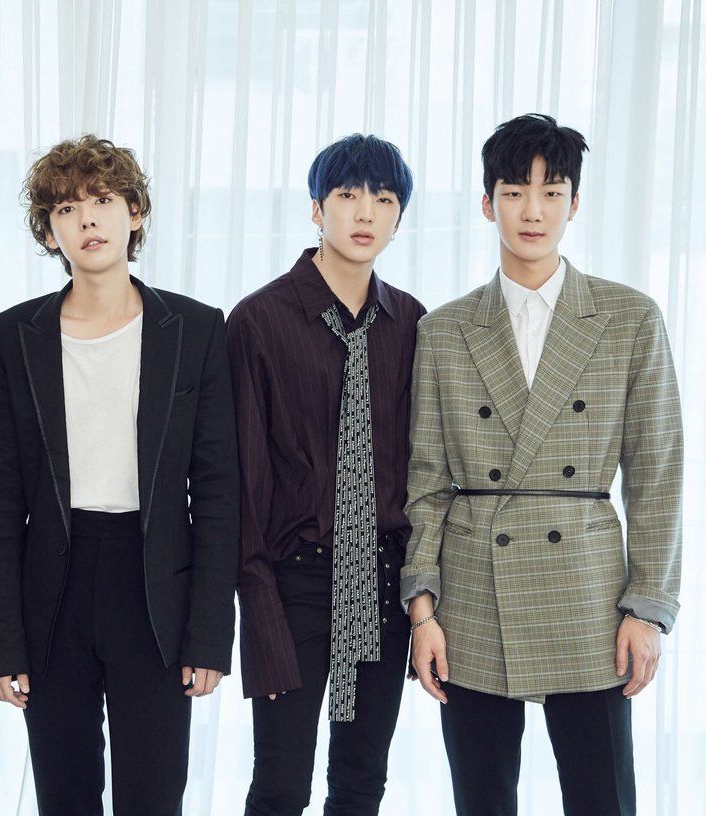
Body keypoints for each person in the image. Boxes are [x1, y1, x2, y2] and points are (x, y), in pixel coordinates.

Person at [402, 113, 683, 816]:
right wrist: (422, 610)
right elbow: (426, 482)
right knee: (482, 799)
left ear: (574, 204)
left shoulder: (629, 318)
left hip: (588, 593)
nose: (533, 211)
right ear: (486, 202)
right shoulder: (444, 329)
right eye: (515, 192)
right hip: (473, 593)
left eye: (551, 192)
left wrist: (647, 608)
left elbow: (657, 473)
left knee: (602, 798)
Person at [0, 134, 239, 815]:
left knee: (154, 797)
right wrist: (0, 639)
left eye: (102, 200)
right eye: (66, 209)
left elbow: (217, 493)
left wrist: (210, 632)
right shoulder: (9, 339)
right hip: (51, 591)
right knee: (64, 797)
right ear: (49, 231)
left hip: (156, 589)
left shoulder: (196, 330)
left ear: (135, 213)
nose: (87, 219)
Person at [228, 133, 425, 815]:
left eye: (384, 198)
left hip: (382, 580)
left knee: (361, 782)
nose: (365, 211)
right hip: (295, 584)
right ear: (317, 209)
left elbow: (424, 471)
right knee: (281, 785)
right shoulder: (258, 321)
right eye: (347, 194)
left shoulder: (412, 324)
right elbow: (243, 485)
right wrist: (258, 606)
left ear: (399, 217)